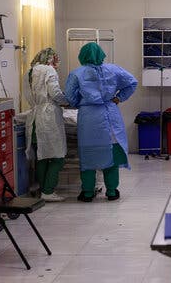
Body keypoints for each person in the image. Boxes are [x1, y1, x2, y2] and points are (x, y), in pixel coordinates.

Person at [65, 43, 137, 202]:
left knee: (88, 155)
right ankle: (111, 191)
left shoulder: (76, 73)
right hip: (110, 113)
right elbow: (132, 82)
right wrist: (118, 98)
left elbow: (70, 96)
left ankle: (87, 193)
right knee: (111, 154)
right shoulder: (113, 70)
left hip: (89, 117)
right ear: (101, 54)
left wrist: (79, 103)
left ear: (82, 56)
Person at [24, 48, 68, 202]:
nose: (57, 63)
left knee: (41, 157)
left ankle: (43, 190)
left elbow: (28, 95)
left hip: (35, 117)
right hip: (49, 117)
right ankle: (48, 191)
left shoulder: (30, 72)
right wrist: (67, 101)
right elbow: (55, 93)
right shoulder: (49, 70)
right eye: (56, 59)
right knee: (57, 156)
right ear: (49, 59)